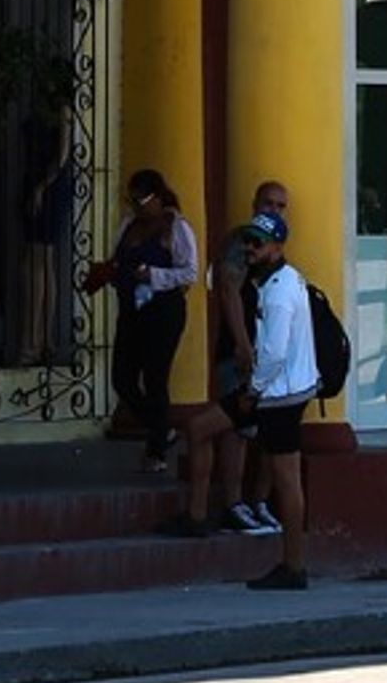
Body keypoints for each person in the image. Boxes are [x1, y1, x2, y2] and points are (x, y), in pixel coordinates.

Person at [161, 177, 287, 540]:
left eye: (280, 206)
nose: (274, 211)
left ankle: (238, 505)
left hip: (263, 358)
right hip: (238, 355)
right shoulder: (241, 242)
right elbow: (229, 291)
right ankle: (229, 504)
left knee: (248, 431)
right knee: (233, 430)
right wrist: (243, 345)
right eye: (268, 203)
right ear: (254, 204)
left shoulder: (274, 252)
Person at [82, 168, 198, 463]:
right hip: (131, 309)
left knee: (155, 377)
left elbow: (189, 272)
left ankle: (156, 450)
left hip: (163, 310)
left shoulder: (176, 227)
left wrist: (154, 276)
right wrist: (109, 272)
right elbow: (118, 258)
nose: (136, 206)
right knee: (122, 378)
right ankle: (160, 427)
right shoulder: (128, 225)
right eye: (132, 200)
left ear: (158, 198)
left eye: (142, 200)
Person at [240, 204, 317, 591]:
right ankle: (292, 563)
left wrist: (253, 390)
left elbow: (274, 352)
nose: (250, 248)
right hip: (286, 389)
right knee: (286, 479)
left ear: (276, 246)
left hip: (281, 395)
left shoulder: (279, 292)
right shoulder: (280, 281)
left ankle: (294, 564)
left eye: (258, 243)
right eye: (248, 240)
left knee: (287, 481)